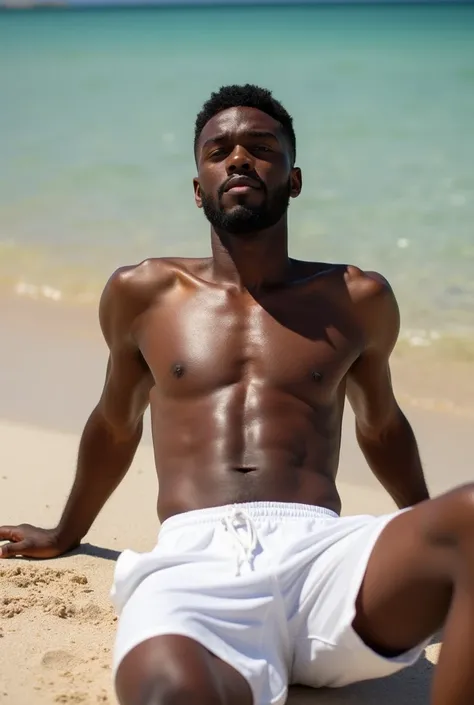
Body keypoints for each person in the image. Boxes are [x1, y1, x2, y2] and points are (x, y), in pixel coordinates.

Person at [1, 84, 473, 705]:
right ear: (198, 187)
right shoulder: (143, 293)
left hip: (323, 559)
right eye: (218, 150)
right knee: (169, 691)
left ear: (295, 179)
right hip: (194, 565)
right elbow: (117, 423)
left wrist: (429, 546)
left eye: (261, 147)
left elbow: (380, 425)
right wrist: (67, 530)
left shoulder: (356, 298)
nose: (240, 159)